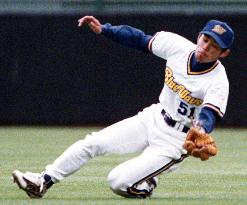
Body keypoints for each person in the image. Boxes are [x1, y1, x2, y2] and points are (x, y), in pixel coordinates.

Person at [12, 16, 234, 199]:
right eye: (206, 39)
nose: (206, 47)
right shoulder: (177, 46)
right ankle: (42, 181)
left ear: (224, 54)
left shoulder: (218, 80)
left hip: (176, 140)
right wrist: (105, 30)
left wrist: (202, 129)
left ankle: (148, 181)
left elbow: (209, 113)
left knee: (118, 182)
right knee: (93, 142)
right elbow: (139, 39)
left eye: (215, 47)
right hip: (154, 117)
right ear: (199, 36)